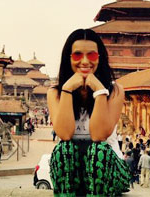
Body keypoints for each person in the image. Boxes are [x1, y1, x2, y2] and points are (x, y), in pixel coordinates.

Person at [47, 29, 130, 196]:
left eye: (91, 55)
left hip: (106, 169)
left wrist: (99, 90)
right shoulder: (56, 92)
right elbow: (64, 134)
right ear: (68, 58)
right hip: (73, 170)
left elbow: (99, 135)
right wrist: (68, 90)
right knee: (64, 149)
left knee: (99, 150)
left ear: (99, 58)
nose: (85, 61)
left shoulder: (115, 91)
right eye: (77, 55)